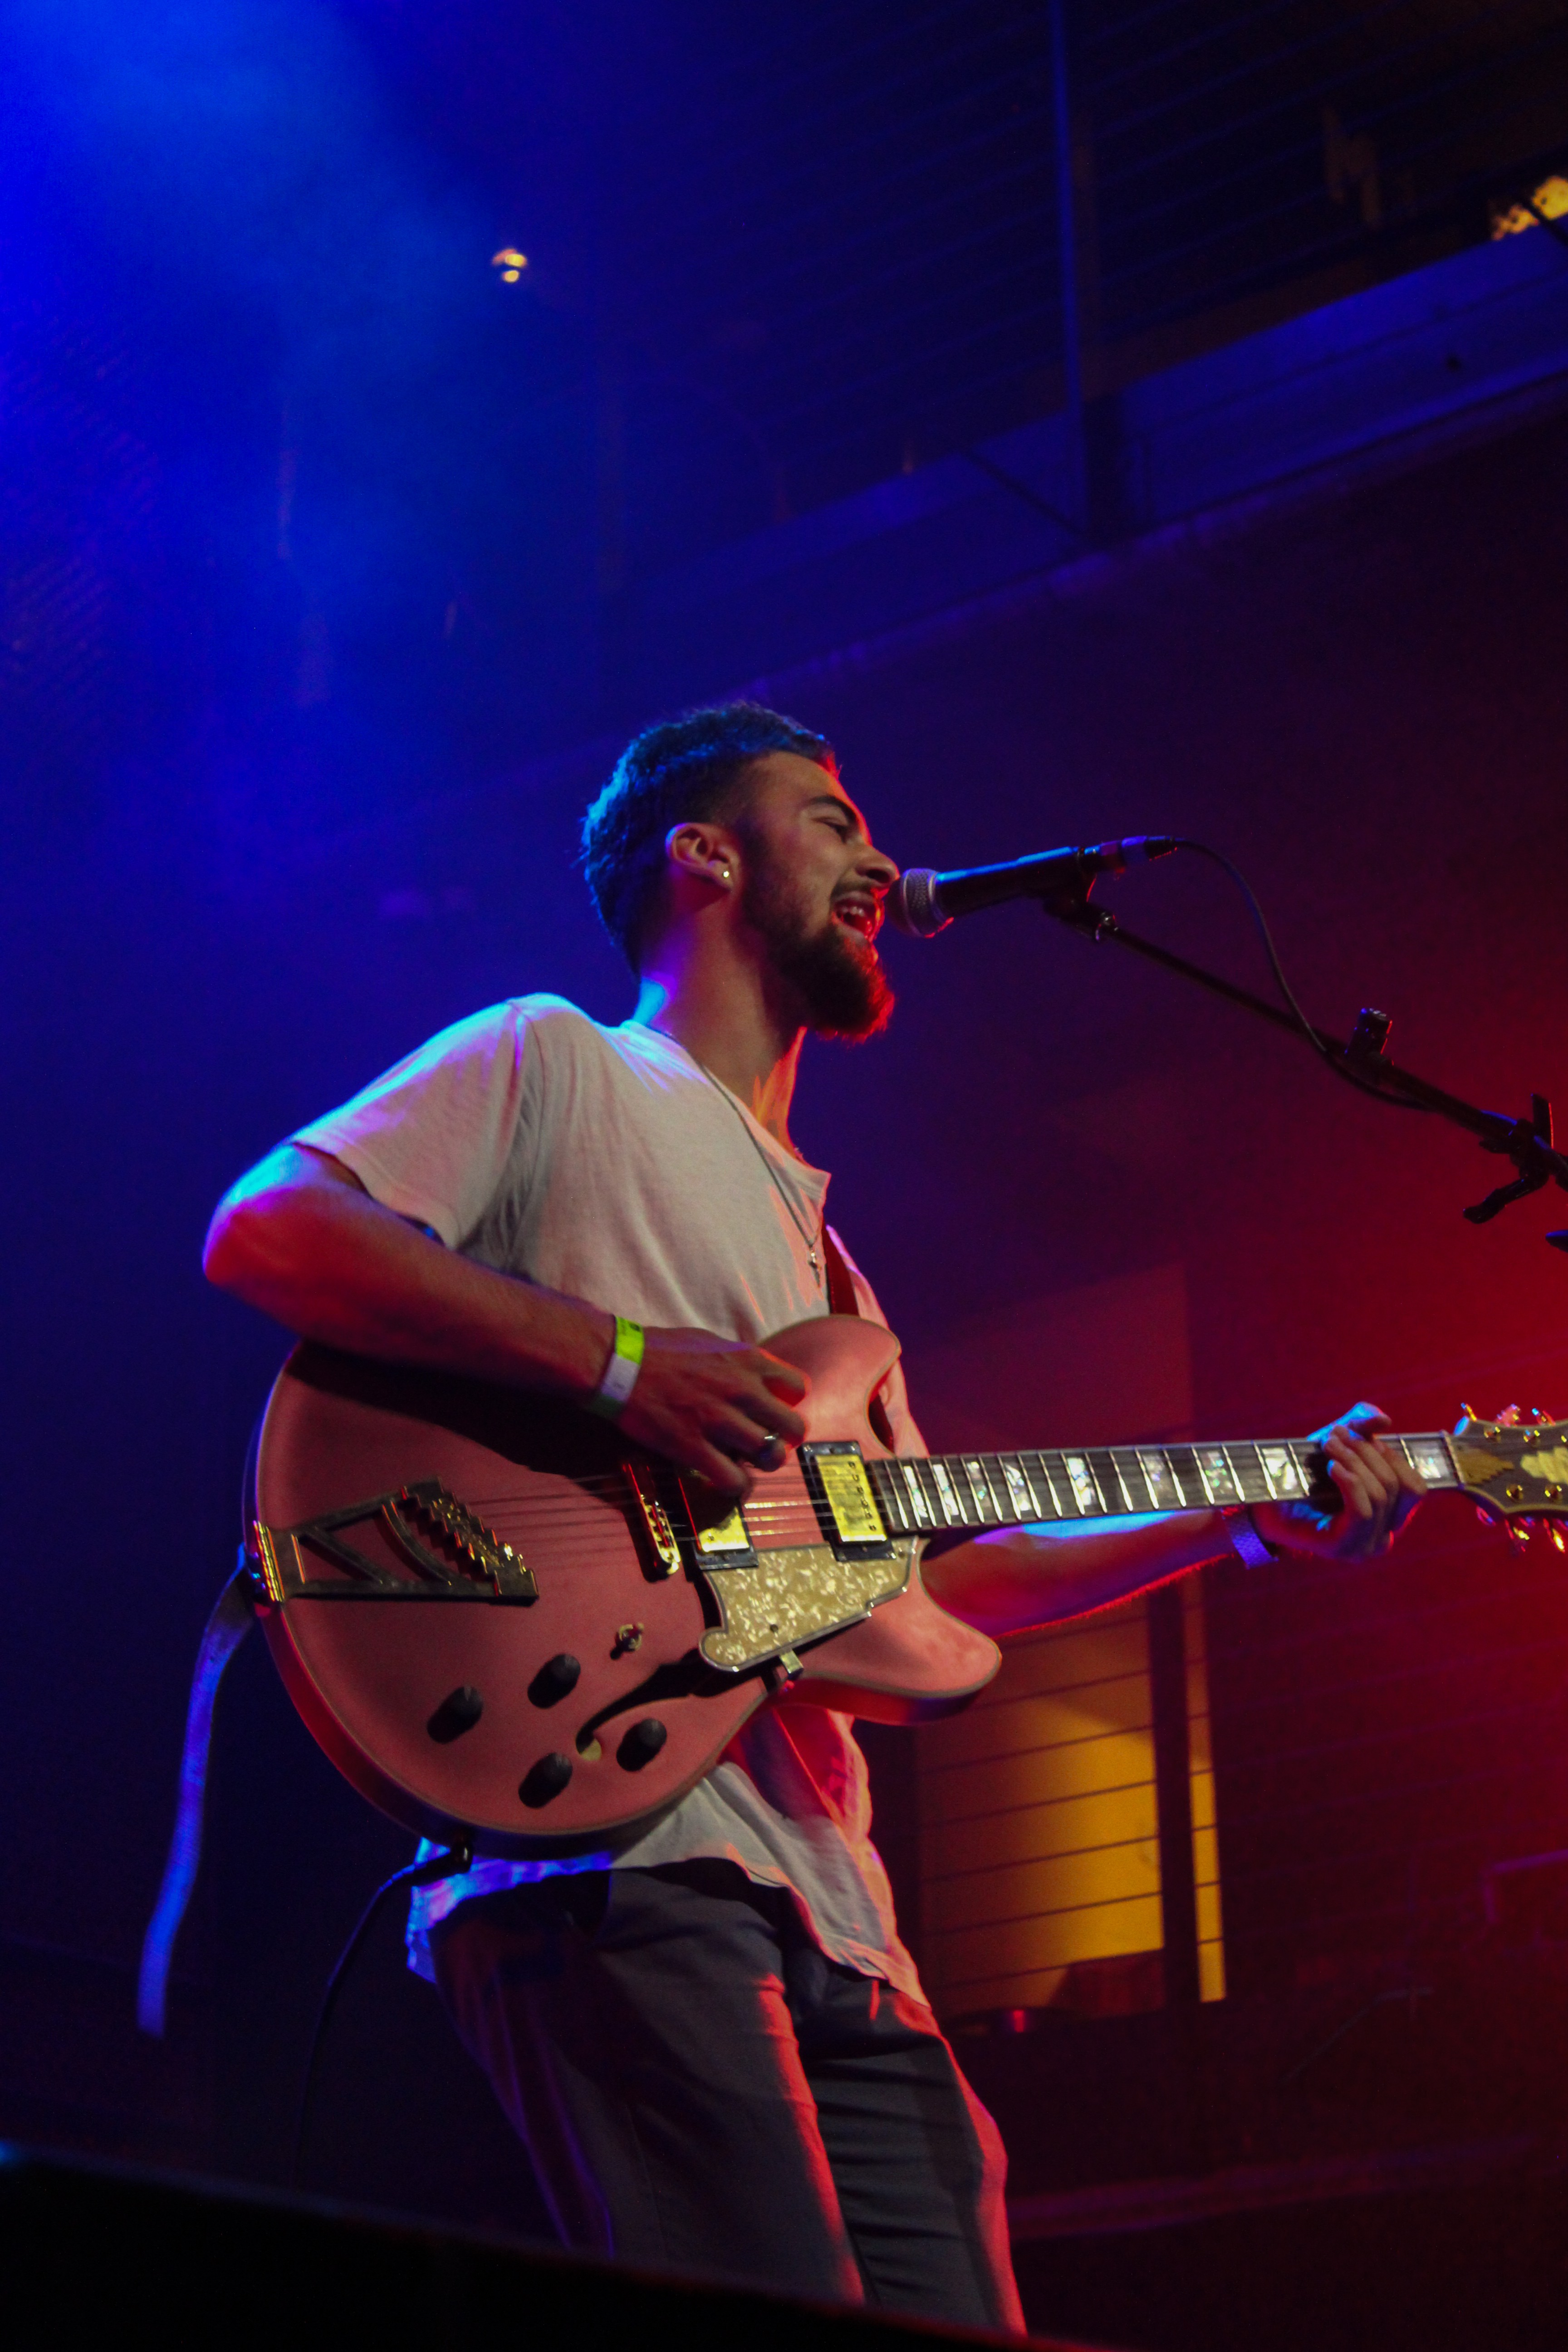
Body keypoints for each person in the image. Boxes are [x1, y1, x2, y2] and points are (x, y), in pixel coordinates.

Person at [204, 702, 1425, 2328]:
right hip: (614, 1836)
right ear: (702, 855)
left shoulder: (846, 1284)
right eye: (832, 820)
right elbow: (272, 1227)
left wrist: (1257, 1510)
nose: (880, 860)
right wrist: (623, 1366)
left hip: (839, 1907)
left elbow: (950, 1583)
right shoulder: (558, 1063)